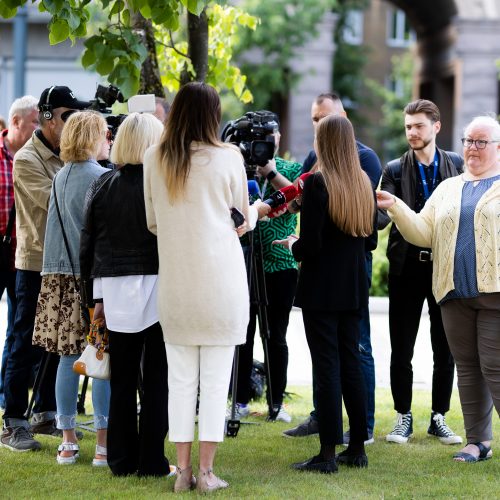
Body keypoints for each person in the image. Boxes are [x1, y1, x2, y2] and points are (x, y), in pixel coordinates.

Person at [143, 82, 254, 493]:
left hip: (176, 284)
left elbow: (152, 221)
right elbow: (240, 216)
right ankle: (207, 473)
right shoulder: (229, 157)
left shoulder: (155, 157)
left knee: (181, 383)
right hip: (221, 283)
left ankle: (183, 471)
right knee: (214, 383)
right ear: (213, 114)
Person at [377, 114, 500, 463]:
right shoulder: (449, 187)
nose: (472, 148)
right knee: (468, 367)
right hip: (452, 293)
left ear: (498, 147)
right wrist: (397, 207)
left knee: (495, 366)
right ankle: (478, 442)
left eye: (480, 142)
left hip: (495, 296)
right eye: (468, 141)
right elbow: (423, 233)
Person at [274, 115, 375, 473]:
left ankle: (328, 453)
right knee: (350, 362)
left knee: (327, 366)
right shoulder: (363, 181)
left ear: (325, 143)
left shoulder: (319, 183)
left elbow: (311, 245)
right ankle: (358, 447)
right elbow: (371, 239)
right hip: (354, 286)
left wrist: (293, 244)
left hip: (321, 288)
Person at [80, 112, 171, 477]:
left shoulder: (103, 185)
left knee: (121, 380)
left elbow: (90, 245)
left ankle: (119, 460)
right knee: (157, 381)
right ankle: (152, 461)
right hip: (158, 284)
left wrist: (94, 297)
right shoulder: (161, 185)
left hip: (114, 290)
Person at [1, 86, 90, 452]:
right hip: (36, 263)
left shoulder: (67, 156)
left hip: (66, 262)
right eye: (69, 117)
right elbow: (56, 199)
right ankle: (14, 421)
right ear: (49, 117)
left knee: (60, 341)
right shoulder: (26, 158)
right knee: (24, 341)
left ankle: (47, 413)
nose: (72, 124)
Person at [378, 99, 463, 445]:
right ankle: (403, 417)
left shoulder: (457, 165)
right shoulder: (395, 169)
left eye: (419, 126)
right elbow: (381, 219)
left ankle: (438, 417)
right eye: (408, 127)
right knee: (402, 347)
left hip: (445, 266)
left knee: (445, 347)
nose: (412, 132)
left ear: (436, 127)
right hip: (405, 269)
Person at [32, 111, 111, 465]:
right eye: (103, 133)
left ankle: (67, 441)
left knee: (68, 359)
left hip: (58, 278)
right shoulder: (102, 177)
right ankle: (103, 443)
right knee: (102, 357)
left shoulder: (59, 176)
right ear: (92, 137)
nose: (108, 138)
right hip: (92, 279)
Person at [231, 113, 302, 423]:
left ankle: (276, 401)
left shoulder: (291, 169)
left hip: (280, 264)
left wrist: (272, 173)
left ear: (279, 138)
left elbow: (298, 198)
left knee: (275, 336)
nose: (266, 143)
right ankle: (241, 399)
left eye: (271, 136)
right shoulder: (236, 169)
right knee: (242, 334)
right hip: (241, 261)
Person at [0, 95, 39, 409]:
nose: (38, 128)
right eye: (34, 122)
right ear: (15, 122)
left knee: (17, 329)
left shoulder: (34, 160)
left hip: (18, 255)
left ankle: (4, 393)